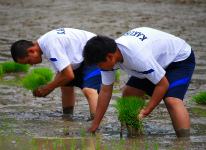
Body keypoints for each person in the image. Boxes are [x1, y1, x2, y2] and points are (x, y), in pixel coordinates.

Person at [83, 27, 195, 137]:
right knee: (129, 94)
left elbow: (162, 84)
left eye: (100, 64)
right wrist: (95, 123)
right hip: (153, 60)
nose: (99, 67)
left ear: (110, 57)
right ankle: (134, 134)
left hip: (178, 59)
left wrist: (147, 110)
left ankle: (184, 141)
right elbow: (106, 91)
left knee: (172, 100)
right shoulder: (110, 55)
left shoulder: (137, 57)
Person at [10, 28, 102, 120]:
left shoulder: (51, 46)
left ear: (31, 51)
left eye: (28, 61)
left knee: (89, 90)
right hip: (81, 55)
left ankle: (96, 121)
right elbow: (62, 72)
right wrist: (49, 88)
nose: (30, 64)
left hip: (96, 52)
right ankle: (67, 118)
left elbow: (69, 75)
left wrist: (48, 87)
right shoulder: (45, 44)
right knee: (65, 84)